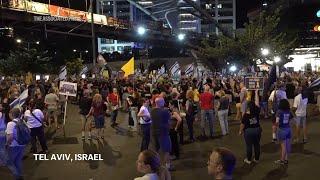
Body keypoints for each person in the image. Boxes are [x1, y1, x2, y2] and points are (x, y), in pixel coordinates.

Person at [239, 90, 262, 164]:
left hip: (248, 131)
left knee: (249, 145)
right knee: (257, 144)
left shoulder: (246, 115)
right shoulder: (257, 111)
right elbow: (257, 102)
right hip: (257, 129)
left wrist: (240, 131)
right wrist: (256, 93)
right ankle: (257, 159)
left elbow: (242, 124)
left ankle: (248, 159)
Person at [150, 97, 172, 171]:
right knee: (166, 150)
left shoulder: (152, 111)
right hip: (163, 133)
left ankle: (157, 166)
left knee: (156, 150)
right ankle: (167, 167)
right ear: (162, 103)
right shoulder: (165, 111)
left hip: (154, 133)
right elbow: (169, 119)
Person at [5, 108, 26, 180]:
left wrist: (7, 144)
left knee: (11, 162)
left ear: (11, 114)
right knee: (18, 161)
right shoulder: (22, 121)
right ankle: (20, 175)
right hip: (22, 144)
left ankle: (17, 177)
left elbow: (10, 137)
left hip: (14, 146)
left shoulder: (10, 123)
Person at [275, 99, 293, 165]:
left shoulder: (279, 112)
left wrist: (276, 129)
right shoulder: (289, 111)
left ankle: (282, 160)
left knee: (283, 146)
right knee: (287, 145)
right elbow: (291, 118)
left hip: (282, 129)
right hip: (288, 129)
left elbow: (277, 122)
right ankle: (286, 159)